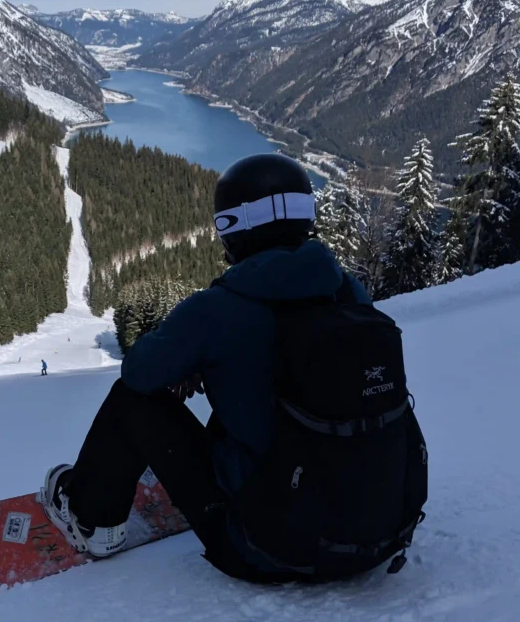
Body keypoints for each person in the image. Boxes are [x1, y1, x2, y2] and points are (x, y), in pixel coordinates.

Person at [41, 153, 427, 580]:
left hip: (266, 547)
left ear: (235, 230)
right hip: (377, 533)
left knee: (132, 401)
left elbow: (138, 372)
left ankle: (91, 521)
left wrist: (191, 359)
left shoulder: (218, 309)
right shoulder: (348, 292)